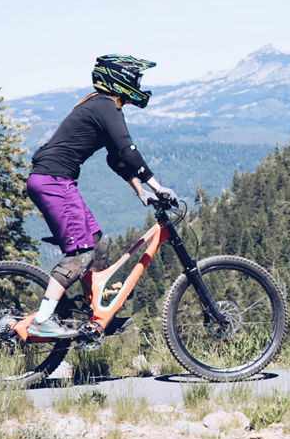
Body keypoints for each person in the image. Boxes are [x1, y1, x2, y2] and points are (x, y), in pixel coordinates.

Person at [25, 54, 179, 338]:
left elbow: (117, 159)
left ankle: (93, 315)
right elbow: (128, 150)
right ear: (119, 80)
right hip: (53, 181)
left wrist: (140, 191)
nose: (138, 84)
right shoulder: (106, 106)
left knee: (98, 245)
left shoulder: (101, 106)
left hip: (55, 180)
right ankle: (43, 319)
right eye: (135, 78)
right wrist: (157, 186)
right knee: (80, 255)